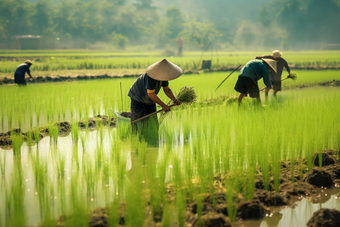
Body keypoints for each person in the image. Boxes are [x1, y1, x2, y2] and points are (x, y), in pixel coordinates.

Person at [128, 59, 182, 140]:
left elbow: (167, 89)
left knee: (153, 124)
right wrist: (164, 106)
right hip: (138, 97)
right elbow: (151, 93)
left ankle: (152, 144)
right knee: (138, 123)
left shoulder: (163, 77)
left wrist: (174, 99)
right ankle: (137, 143)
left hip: (149, 99)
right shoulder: (150, 77)